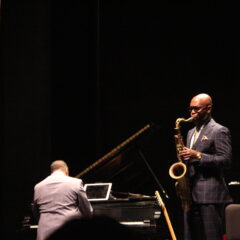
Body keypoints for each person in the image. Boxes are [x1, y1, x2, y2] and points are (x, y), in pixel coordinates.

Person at [178, 93, 233, 240]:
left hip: (210, 195)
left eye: (196, 109)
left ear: (208, 109)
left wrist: (199, 156)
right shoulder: (190, 132)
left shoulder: (219, 130)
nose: (192, 112)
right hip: (191, 195)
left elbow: (226, 160)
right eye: (190, 109)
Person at [32, 160, 93, 240]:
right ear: (66, 171)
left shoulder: (38, 187)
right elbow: (87, 210)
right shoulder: (76, 182)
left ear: (52, 171)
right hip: (69, 229)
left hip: (44, 232)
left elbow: (35, 210)